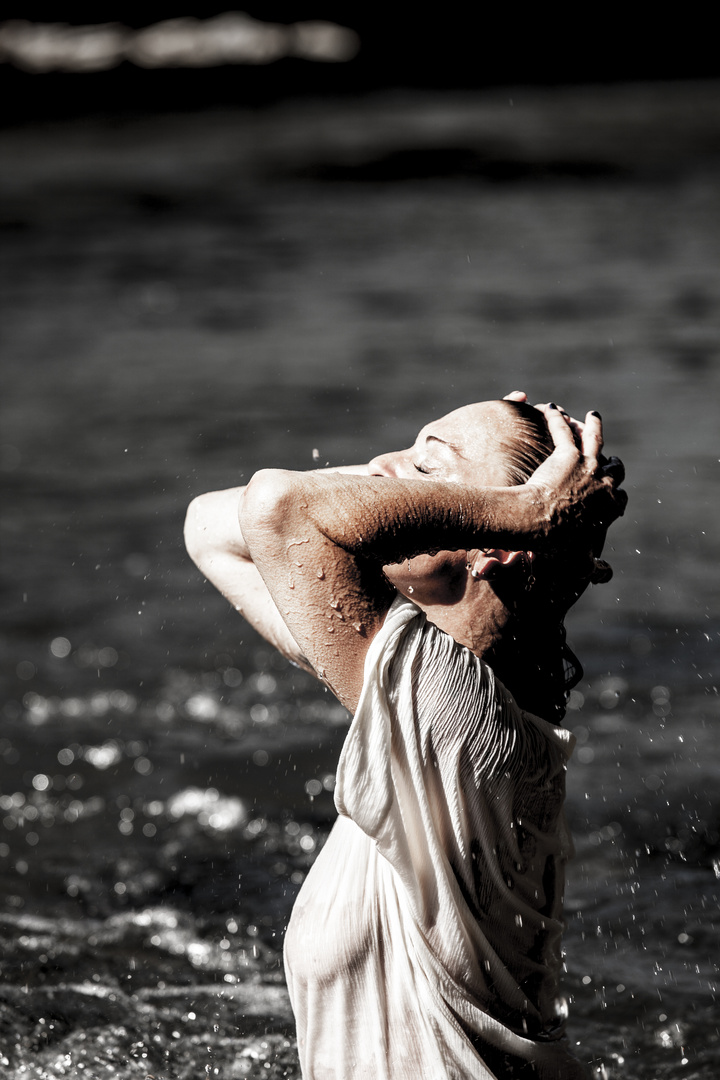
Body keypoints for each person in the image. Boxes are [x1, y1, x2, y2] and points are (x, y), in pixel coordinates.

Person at [184, 393, 626, 1080]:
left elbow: (280, 509)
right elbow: (211, 525)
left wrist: (531, 514)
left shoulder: (456, 717)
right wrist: (449, 487)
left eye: (424, 465)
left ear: (498, 547)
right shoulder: (421, 698)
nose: (379, 468)